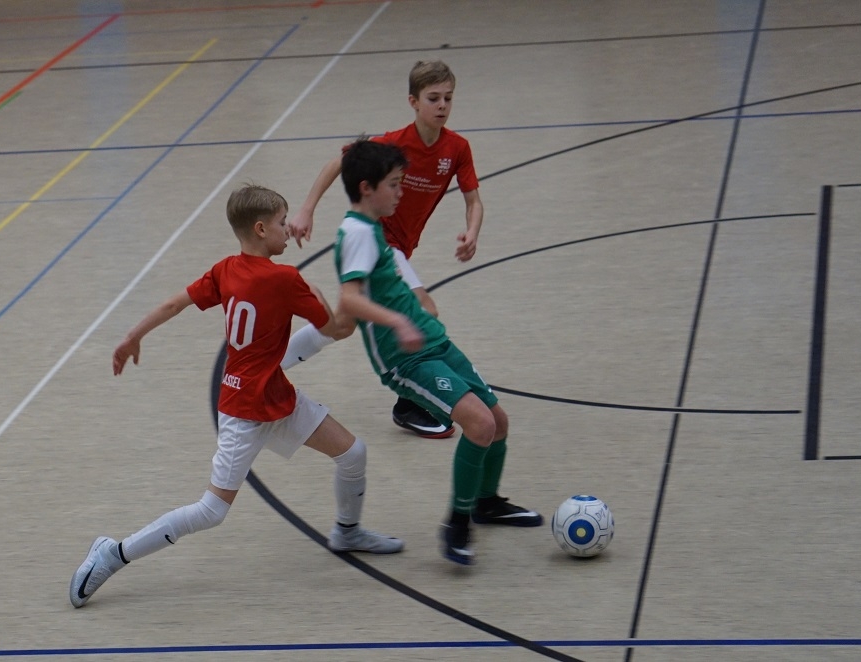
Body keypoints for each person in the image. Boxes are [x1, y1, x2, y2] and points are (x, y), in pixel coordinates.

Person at [69, 184, 403, 608]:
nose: (289, 230)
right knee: (211, 511)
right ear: (261, 229)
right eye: (283, 223)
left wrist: (133, 336)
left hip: (275, 398)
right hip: (245, 413)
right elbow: (334, 328)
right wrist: (350, 293)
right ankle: (112, 554)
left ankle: (348, 532)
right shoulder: (285, 279)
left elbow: (173, 304)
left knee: (353, 453)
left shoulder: (226, 269)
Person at [333, 139, 541, 566]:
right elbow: (349, 299)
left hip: (433, 340)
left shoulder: (373, 228)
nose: (401, 192)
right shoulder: (355, 233)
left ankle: (485, 502)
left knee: (498, 422)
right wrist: (398, 322)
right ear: (367, 188)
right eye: (394, 185)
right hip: (405, 357)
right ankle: (457, 523)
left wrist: (417, 310)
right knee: (480, 424)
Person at [281, 60, 483, 440]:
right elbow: (339, 163)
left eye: (448, 98)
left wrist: (471, 232)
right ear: (413, 101)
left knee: (343, 325)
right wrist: (307, 209)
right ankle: (410, 404)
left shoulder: (457, 148)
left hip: (400, 245)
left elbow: (474, 200)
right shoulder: (393, 143)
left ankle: (269, 367)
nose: (442, 105)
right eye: (433, 98)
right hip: (380, 241)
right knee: (424, 310)